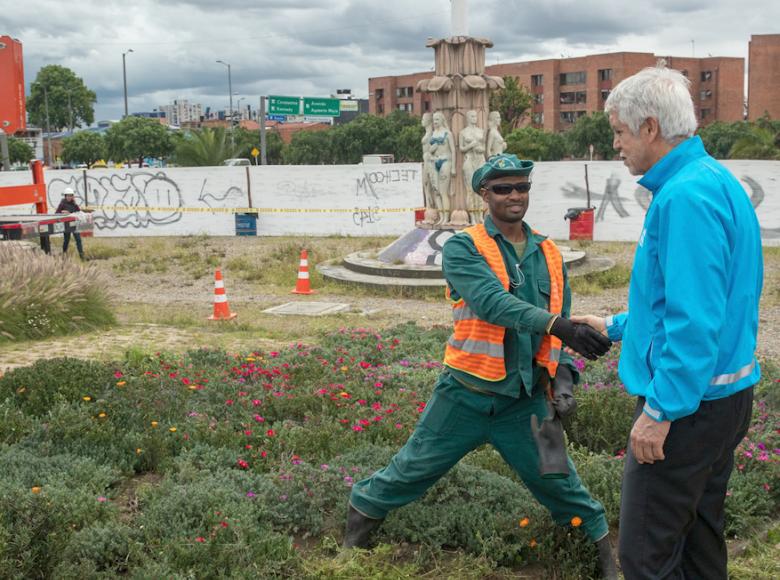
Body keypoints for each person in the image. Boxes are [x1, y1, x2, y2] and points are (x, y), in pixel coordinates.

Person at [343, 154, 617, 579]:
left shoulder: (549, 253)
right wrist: (558, 325)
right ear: (484, 195)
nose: (514, 196)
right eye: (503, 189)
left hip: (525, 402)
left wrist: (563, 376)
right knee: (409, 471)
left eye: (521, 187)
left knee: (561, 483)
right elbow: (493, 303)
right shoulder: (462, 247)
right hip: (464, 396)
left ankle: (606, 566)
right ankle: (349, 549)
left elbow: (560, 324)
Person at [574, 67, 763, 579]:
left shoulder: (683, 198)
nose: (615, 144)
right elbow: (696, 301)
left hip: (688, 409)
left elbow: (695, 320)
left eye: (618, 131)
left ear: (650, 128)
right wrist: (616, 324)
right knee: (699, 542)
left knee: (646, 557)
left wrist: (661, 409)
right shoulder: (712, 181)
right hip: (721, 399)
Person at [459, 110, 487, 224]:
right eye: (472, 116)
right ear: (468, 118)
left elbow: (484, 148)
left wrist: (479, 148)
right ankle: (472, 216)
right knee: (470, 190)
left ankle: (480, 215)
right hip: (469, 158)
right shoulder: (463, 132)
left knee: (481, 188)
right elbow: (461, 148)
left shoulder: (481, 131)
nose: (474, 118)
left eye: (475, 116)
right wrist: (471, 145)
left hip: (480, 158)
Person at [429, 111, 457, 222]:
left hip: (446, 161)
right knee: (436, 191)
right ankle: (441, 217)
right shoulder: (433, 133)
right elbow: (430, 150)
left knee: (443, 192)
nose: (435, 122)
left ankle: (446, 217)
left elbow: (453, 150)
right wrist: (432, 149)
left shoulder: (447, 133)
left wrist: (454, 167)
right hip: (434, 161)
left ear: (442, 120)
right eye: (434, 119)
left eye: (437, 119)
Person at [55, 187, 86, 260]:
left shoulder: (74, 204)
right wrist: (62, 212)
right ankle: (64, 254)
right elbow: (56, 213)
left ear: (72, 196)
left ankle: (82, 257)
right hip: (66, 225)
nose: (69, 197)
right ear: (65, 196)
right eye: (67, 195)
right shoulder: (62, 204)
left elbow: (79, 213)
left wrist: (71, 213)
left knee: (78, 240)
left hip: (74, 224)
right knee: (66, 240)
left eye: (70, 195)